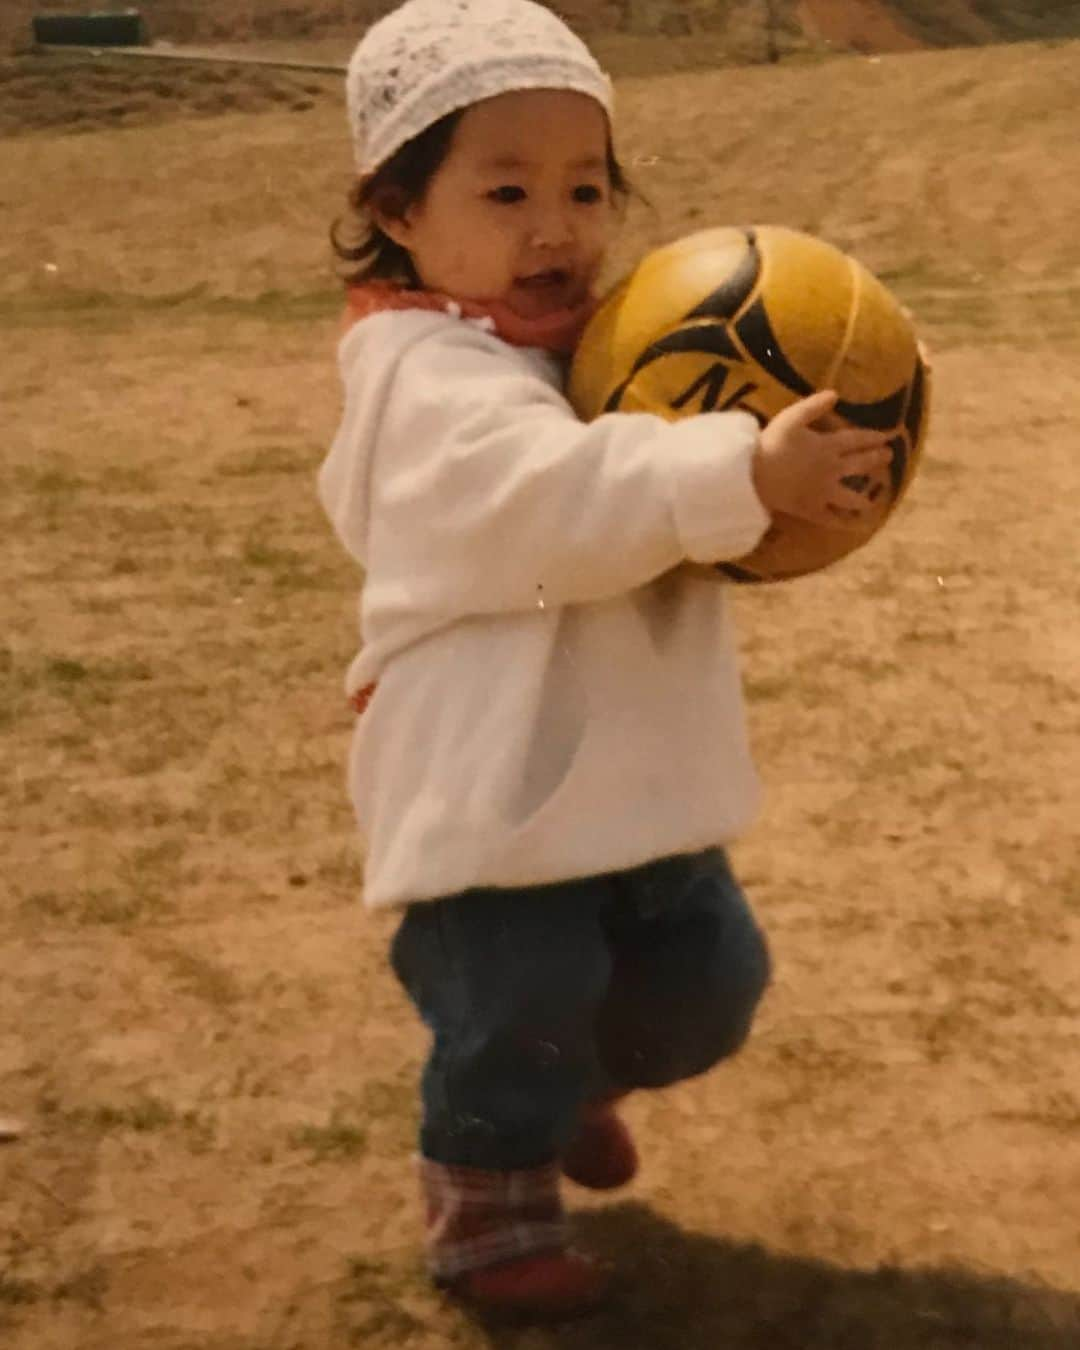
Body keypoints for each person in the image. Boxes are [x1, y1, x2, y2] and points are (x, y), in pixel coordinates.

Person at [319, 0, 892, 1320]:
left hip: (632, 775)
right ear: (399, 211)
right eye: (505, 189)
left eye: (586, 187)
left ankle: (573, 1086)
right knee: (519, 994)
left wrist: (811, 472)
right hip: (500, 796)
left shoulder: (614, 347)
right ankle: (485, 1199)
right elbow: (552, 499)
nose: (556, 227)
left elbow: (666, 498)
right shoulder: (415, 375)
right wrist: (737, 469)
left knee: (709, 983)